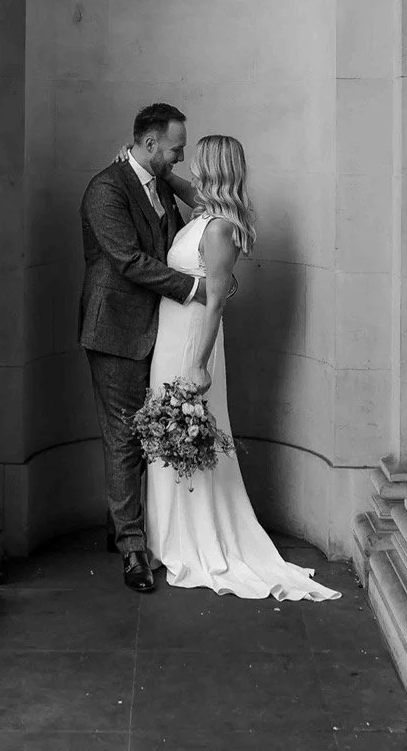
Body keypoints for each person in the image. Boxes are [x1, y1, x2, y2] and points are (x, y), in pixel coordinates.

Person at [146, 134, 341, 601]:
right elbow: (185, 187)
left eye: (198, 159)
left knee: (187, 434)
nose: (188, 163)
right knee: (167, 435)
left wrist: (197, 363)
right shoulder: (205, 214)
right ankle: (167, 534)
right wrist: (155, 169)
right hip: (170, 334)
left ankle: (191, 540)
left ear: (212, 167)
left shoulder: (218, 229)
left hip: (192, 339)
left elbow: (215, 302)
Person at [79, 103, 206, 594]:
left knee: (141, 438)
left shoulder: (158, 184)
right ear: (150, 144)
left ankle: (128, 528)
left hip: (155, 332)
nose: (180, 157)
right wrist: (196, 291)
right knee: (124, 441)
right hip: (114, 333)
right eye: (175, 149)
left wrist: (170, 180)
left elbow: (190, 217)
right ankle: (132, 549)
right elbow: (130, 261)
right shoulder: (105, 190)